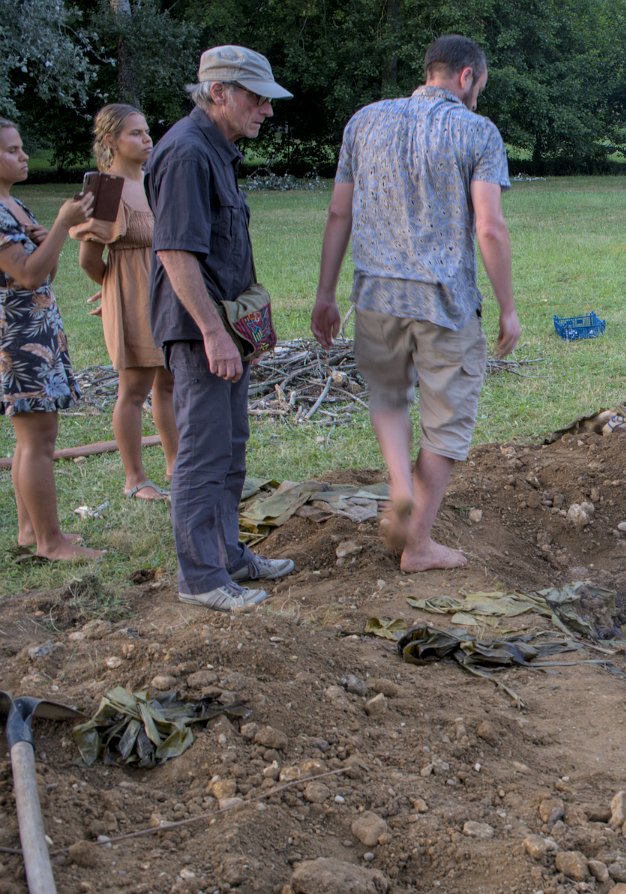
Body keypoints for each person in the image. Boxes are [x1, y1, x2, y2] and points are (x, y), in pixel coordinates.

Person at [313, 34, 519, 572]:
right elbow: (489, 227)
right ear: (467, 76)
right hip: (446, 303)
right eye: (480, 84)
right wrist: (507, 307)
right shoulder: (477, 131)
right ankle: (418, 544)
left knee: (388, 397)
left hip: (375, 295)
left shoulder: (364, 122)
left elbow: (338, 213)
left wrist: (324, 294)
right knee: (446, 423)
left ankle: (400, 484)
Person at [148, 46, 295, 611]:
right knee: (203, 453)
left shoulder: (216, 149)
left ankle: (228, 555)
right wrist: (212, 333)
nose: (267, 110)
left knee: (230, 447)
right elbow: (176, 254)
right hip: (198, 330)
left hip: (224, 324)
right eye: (257, 98)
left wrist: (242, 329)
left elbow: (222, 251)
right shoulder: (187, 153)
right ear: (219, 93)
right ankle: (202, 578)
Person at [0, 119, 105, 561]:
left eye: (21, 147)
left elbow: (44, 272)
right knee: (38, 441)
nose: (23, 156)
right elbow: (26, 275)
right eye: (11, 150)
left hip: (36, 328)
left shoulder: (14, 204)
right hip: (18, 334)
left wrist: (49, 237)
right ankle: (50, 542)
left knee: (31, 439)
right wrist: (62, 223)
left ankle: (30, 532)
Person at [72, 103, 179, 503]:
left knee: (168, 381)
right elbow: (88, 259)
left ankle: (176, 465)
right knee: (133, 389)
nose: (147, 139)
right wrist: (114, 289)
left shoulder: (155, 181)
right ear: (111, 141)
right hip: (131, 296)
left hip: (167, 293)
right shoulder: (104, 189)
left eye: (147, 131)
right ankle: (135, 478)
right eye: (135, 133)